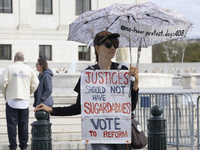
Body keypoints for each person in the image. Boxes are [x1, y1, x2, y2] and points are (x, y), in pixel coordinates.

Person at [35, 31, 139, 150]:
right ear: (97, 48)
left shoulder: (122, 71)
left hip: (120, 132)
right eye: (108, 44)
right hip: (98, 134)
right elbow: (79, 107)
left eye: (115, 44)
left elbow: (131, 107)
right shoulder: (88, 74)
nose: (113, 48)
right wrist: (52, 110)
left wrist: (136, 83)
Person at [0, 52, 39, 150]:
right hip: (24, 101)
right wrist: (28, 92)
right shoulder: (29, 69)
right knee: (23, 125)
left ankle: (13, 146)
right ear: (23, 59)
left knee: (11, 126)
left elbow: (2, 82)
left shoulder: (8, 68)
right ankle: (23, 146)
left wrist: (6, 92)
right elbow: (35, 83)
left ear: (14, 58)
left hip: (11, 100)